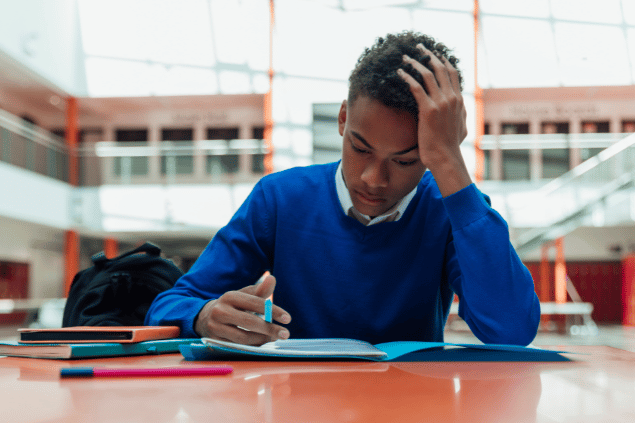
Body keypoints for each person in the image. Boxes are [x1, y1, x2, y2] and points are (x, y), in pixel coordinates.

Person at [146, 31, 541, 346]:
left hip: (414, 406)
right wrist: (203, 316)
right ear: (341, 118)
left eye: (404, 161)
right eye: (360, 148)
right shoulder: (280, 199)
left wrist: (450, 163)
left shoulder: (452, 210)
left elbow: (512, 329)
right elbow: (169, 304)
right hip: (298, 404)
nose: (373, 178)